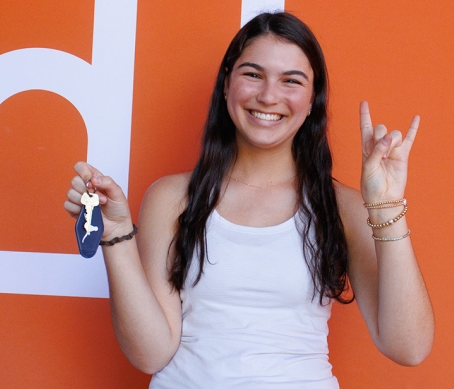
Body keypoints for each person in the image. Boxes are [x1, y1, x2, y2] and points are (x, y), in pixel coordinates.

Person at [64, 12, 433, 388]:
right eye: (253, 74)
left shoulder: (342, 207)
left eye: (291, 81)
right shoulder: (172, 198)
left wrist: (386, 207)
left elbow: (409, 348)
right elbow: (150, 354)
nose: (269, 95)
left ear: (312, 101)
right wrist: (116, 235)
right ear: (226, 85)